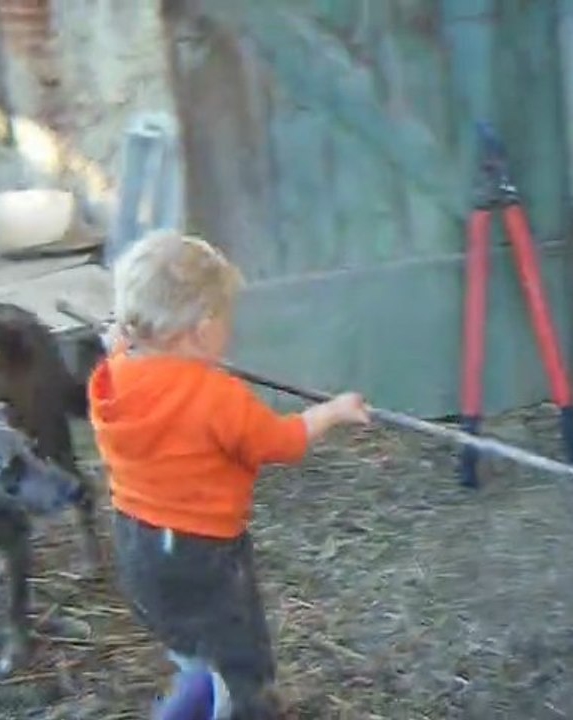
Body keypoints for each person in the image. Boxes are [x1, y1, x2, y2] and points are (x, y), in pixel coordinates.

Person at [88, 230, 370, 719]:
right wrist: (330, 412)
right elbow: (280, 441)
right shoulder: (216, 397)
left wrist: (121, 341)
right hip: (201, 552)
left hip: (137, 542)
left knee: (190, 644)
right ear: (201, 331)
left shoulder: (111, 376)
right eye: (225, 319)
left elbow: (120, 347)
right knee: (239, 660)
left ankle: (203, 691)